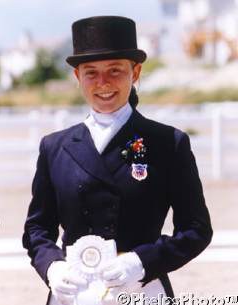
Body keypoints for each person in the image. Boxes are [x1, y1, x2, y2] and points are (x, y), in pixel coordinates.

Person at [22, 16, 213, 305]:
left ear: (135, 72)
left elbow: (197, 229)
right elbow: (37, 229)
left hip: (143, 290)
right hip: (74, 294)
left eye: (115, 70)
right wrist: (52, 267)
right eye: (91, 73)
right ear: (77, 77)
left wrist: (141, 262)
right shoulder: (54, 147)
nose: (103, 83)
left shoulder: (168, 143)